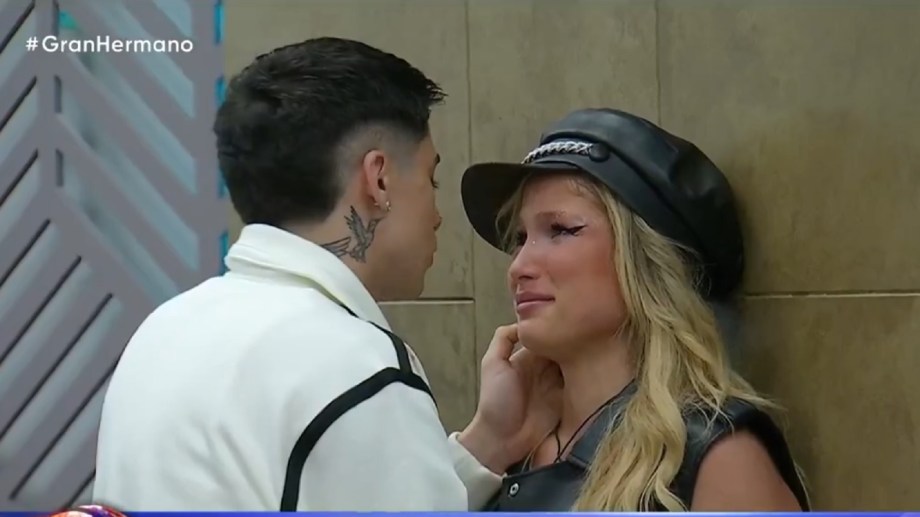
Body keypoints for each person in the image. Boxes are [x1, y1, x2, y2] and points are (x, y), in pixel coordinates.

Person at [92, 37, 560, 511]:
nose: (437, 216)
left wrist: (489, 442)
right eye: (430, 178)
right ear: (378, 178)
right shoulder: (359, 367)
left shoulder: (164, 331)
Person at [459, 108, 811, 512]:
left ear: (643, 261)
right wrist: (486, 442)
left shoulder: (716, 458)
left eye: (561, 230)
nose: (518, 266)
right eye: (520, 238)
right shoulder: (508, 449)